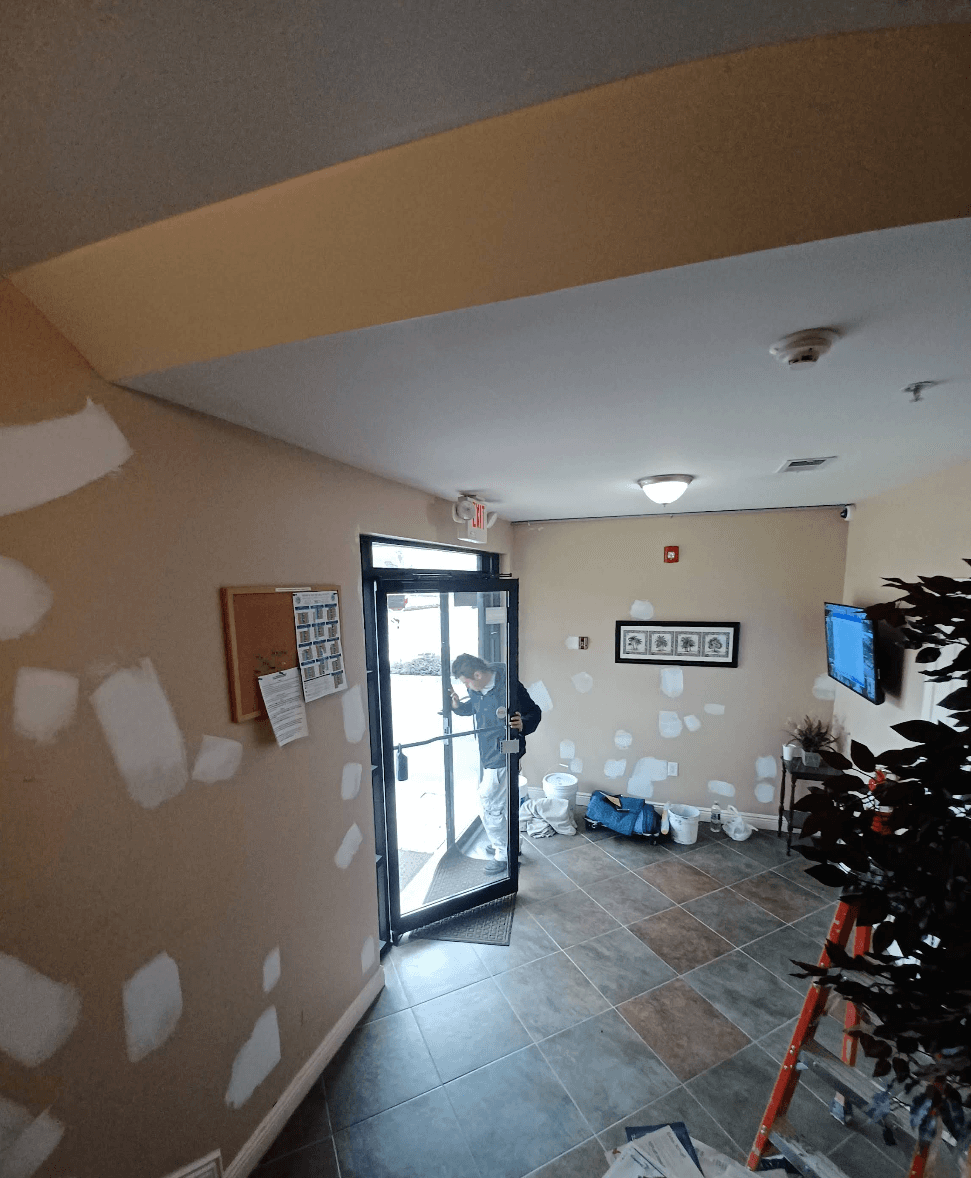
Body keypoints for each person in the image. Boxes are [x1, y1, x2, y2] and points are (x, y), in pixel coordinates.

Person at [449, 653, 542, 874]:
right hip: (488, 752)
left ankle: (503, 854)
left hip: (505, 752)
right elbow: (476, 706)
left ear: (477, 674)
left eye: (466, 682)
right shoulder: (477, 688)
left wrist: (523, 723)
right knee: (502, 803)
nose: (466, 687)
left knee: (489, 804)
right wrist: (457, 707)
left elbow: (534, 712)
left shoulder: (509, 686)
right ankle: (511, 845)